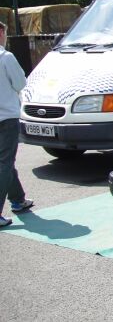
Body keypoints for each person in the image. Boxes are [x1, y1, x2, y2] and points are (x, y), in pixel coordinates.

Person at [0, 21, 33, 227]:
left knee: (6, 161)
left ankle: (18, 199)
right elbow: (21, 83)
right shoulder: (6, 57)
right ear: (1, 32)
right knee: (4, 162)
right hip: (7, 117)